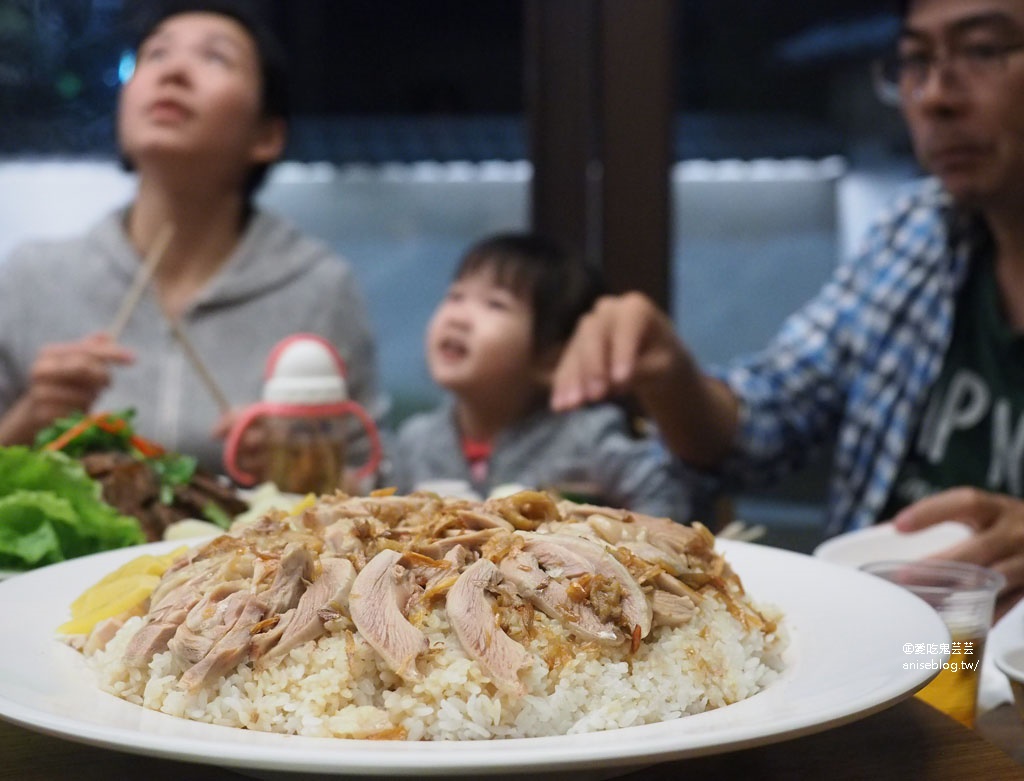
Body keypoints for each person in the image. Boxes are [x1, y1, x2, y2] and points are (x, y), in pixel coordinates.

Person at [551, 0, 1024, 613]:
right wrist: (668, 373)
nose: (935, 97)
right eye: (915, 60)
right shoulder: (919, 233)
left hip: (989, 663)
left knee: (957, 683)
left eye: (984, 50)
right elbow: (765, 426)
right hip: (892, 641)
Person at [0, 0, 385, 476]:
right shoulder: (32, 277)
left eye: (215, 58)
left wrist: (298, 465)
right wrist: (30, 419)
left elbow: (376, 488)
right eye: (155, 55)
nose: (175, 72)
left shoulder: (321, 289)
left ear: (267, 136)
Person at [390, 232, 691, 521]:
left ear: (553, 358)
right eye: (455, 296)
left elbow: (665, 497)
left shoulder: (585, 437)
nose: (458, 317)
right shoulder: (416, 441)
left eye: (495, 304)